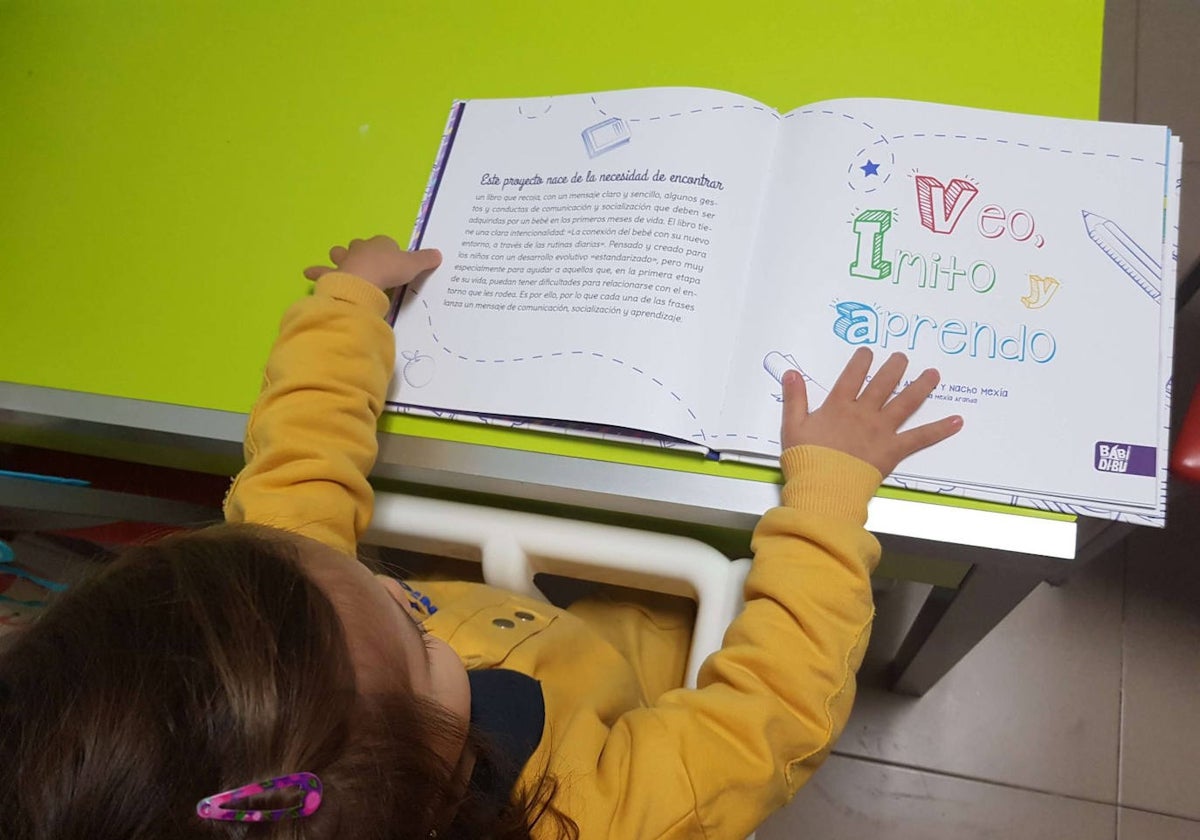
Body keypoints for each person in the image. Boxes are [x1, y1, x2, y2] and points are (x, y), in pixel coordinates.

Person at [0, 235, 962, 840]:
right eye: (417, 643)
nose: (386, 587)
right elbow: (773, 713)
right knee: (680, 619)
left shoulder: (274, 644)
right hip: (634, 666)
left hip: (518, 615)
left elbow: (295, 473)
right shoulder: (609, 815)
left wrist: (349, 306)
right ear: (434, 776)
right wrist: (831, 494)